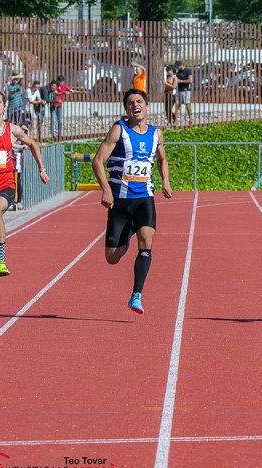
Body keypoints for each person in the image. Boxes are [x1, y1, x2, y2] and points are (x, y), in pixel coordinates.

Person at [91, 89, 173, 314]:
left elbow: (162, 158)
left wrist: (165, 181)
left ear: (146, 106)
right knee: (112, 258)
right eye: (130, 103)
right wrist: (106, 189)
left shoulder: (156, 134)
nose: (134, 105)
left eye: (139, 101)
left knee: (147, 239)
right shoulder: (119, 129)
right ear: (126, 108)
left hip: (144, 198)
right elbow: (98, 161)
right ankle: (127, 231)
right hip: (120, 200)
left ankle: (136, 295)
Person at [0, 91, 50, 276]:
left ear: (4, 106)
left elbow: (33, 144)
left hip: (6, 185)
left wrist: (41, 169)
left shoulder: (12, 130)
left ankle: (1, 259)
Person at [51, 76, 75, 140]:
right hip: (53, 105)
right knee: (53, 121)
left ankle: (59, 134)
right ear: (58, 81)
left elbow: (71, 90)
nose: (62, 83)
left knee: (59, 120)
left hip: (59, 105)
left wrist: (80, 92)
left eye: (62, 82)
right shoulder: (54, 86)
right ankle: (53, 135)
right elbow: (56, 94)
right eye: (60, 82)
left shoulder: (64, 86)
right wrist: (63, 92)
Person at [174, 61, 193, 127]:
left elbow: (190, 80)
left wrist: (180, 81)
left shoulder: (187, 71)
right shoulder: (178, 73)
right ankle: (175, 121)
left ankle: (190, 119)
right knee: (177, 105)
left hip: (186, 90)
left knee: (187, 105)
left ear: (181, 65)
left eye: (178, 66)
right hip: (179, 90)